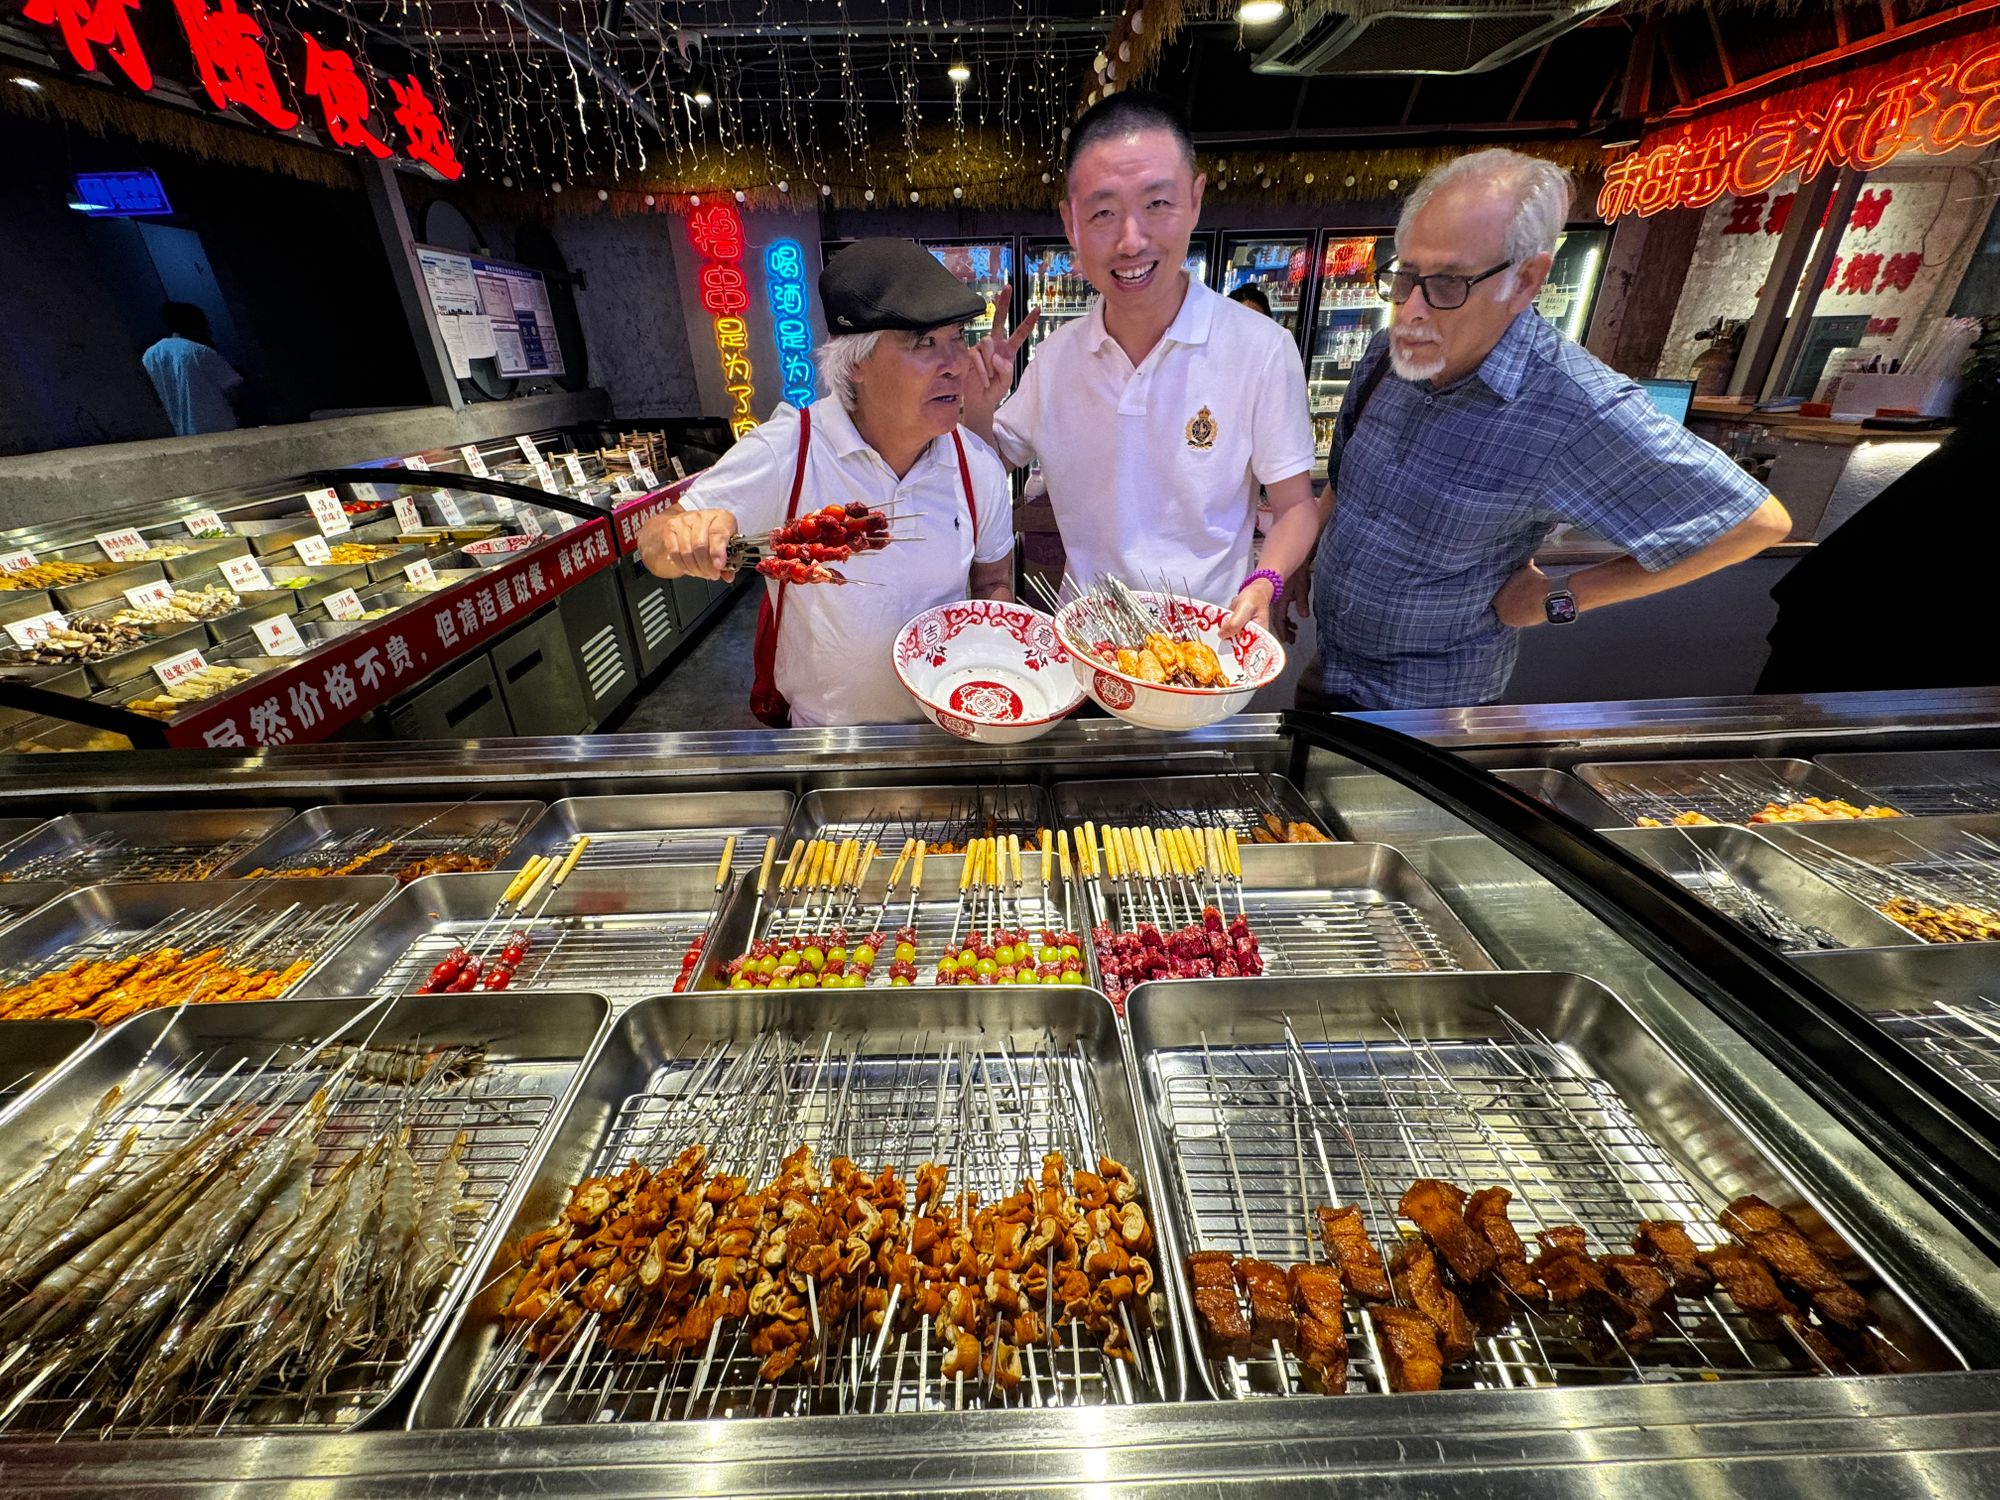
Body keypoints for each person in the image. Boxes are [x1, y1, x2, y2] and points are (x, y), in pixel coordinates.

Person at [1302, 149, 1791, 710]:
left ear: (1525, 280)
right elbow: (1345, 479)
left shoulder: (1573, 405)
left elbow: (1752, 523)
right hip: (1332, 664)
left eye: (1448, 283)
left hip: (1429, 702)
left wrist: (1558, 599)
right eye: (1406, 276)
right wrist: (1303, 559)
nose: (1410, 310)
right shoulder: (1388, 355)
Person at [962, 91, 1317, 637]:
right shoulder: (1056, 359)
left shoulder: (1261, 348)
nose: (1131, 241)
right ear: (1071, 223)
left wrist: (1265, 578)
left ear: (1195, 201)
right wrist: (979, 407)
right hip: (1087, 646)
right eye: (1103, 213)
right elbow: (987, 468)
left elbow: (1295, 505)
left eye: (1157, 204)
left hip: (1209, 645)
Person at [638, 239, 1015, 729]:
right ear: (856, 363)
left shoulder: (975, 466)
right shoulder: (790, 450)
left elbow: (994, 581)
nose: (956, 364)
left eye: (957, 337)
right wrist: (684, 537)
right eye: (924, 342)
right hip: (826, 740)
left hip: (947, 732)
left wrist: (992, 649)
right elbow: (653, 545)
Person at [141, 302, 244, 437]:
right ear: (197, 325)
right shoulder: (200, 351)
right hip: (217, 429)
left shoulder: (149, 355)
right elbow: (232, 392)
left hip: (178, 434)